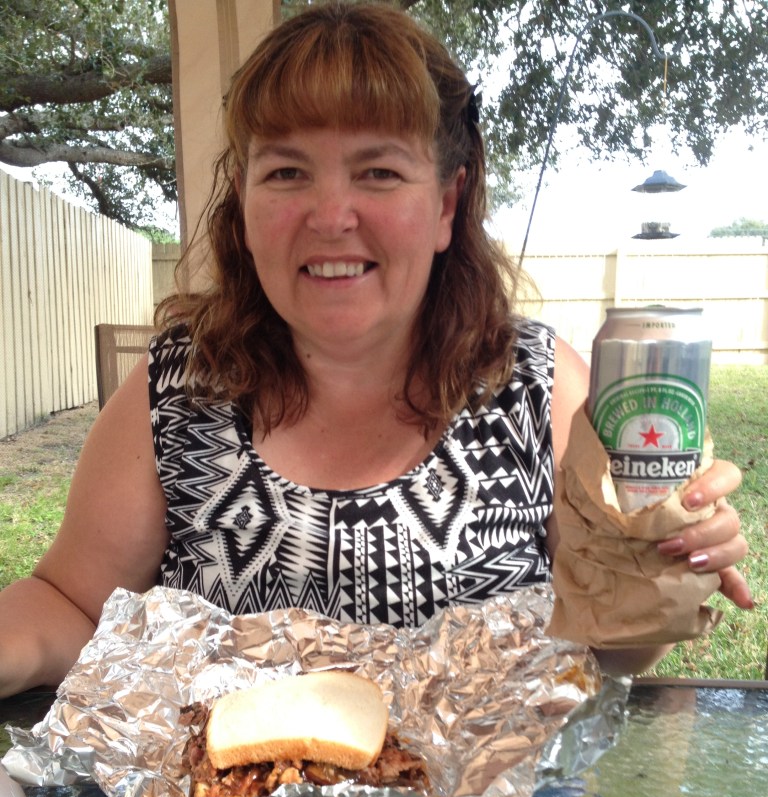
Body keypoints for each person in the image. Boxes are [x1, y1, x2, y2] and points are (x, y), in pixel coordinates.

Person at [0, 1, 752, 698]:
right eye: (287, 171)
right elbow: (69, 602)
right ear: (245, 203)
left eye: (379, 172)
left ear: (446, 205)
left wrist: (662, 561)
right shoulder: (178, 388)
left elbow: (619, 651)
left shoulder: (536, 386)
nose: (330, 216)